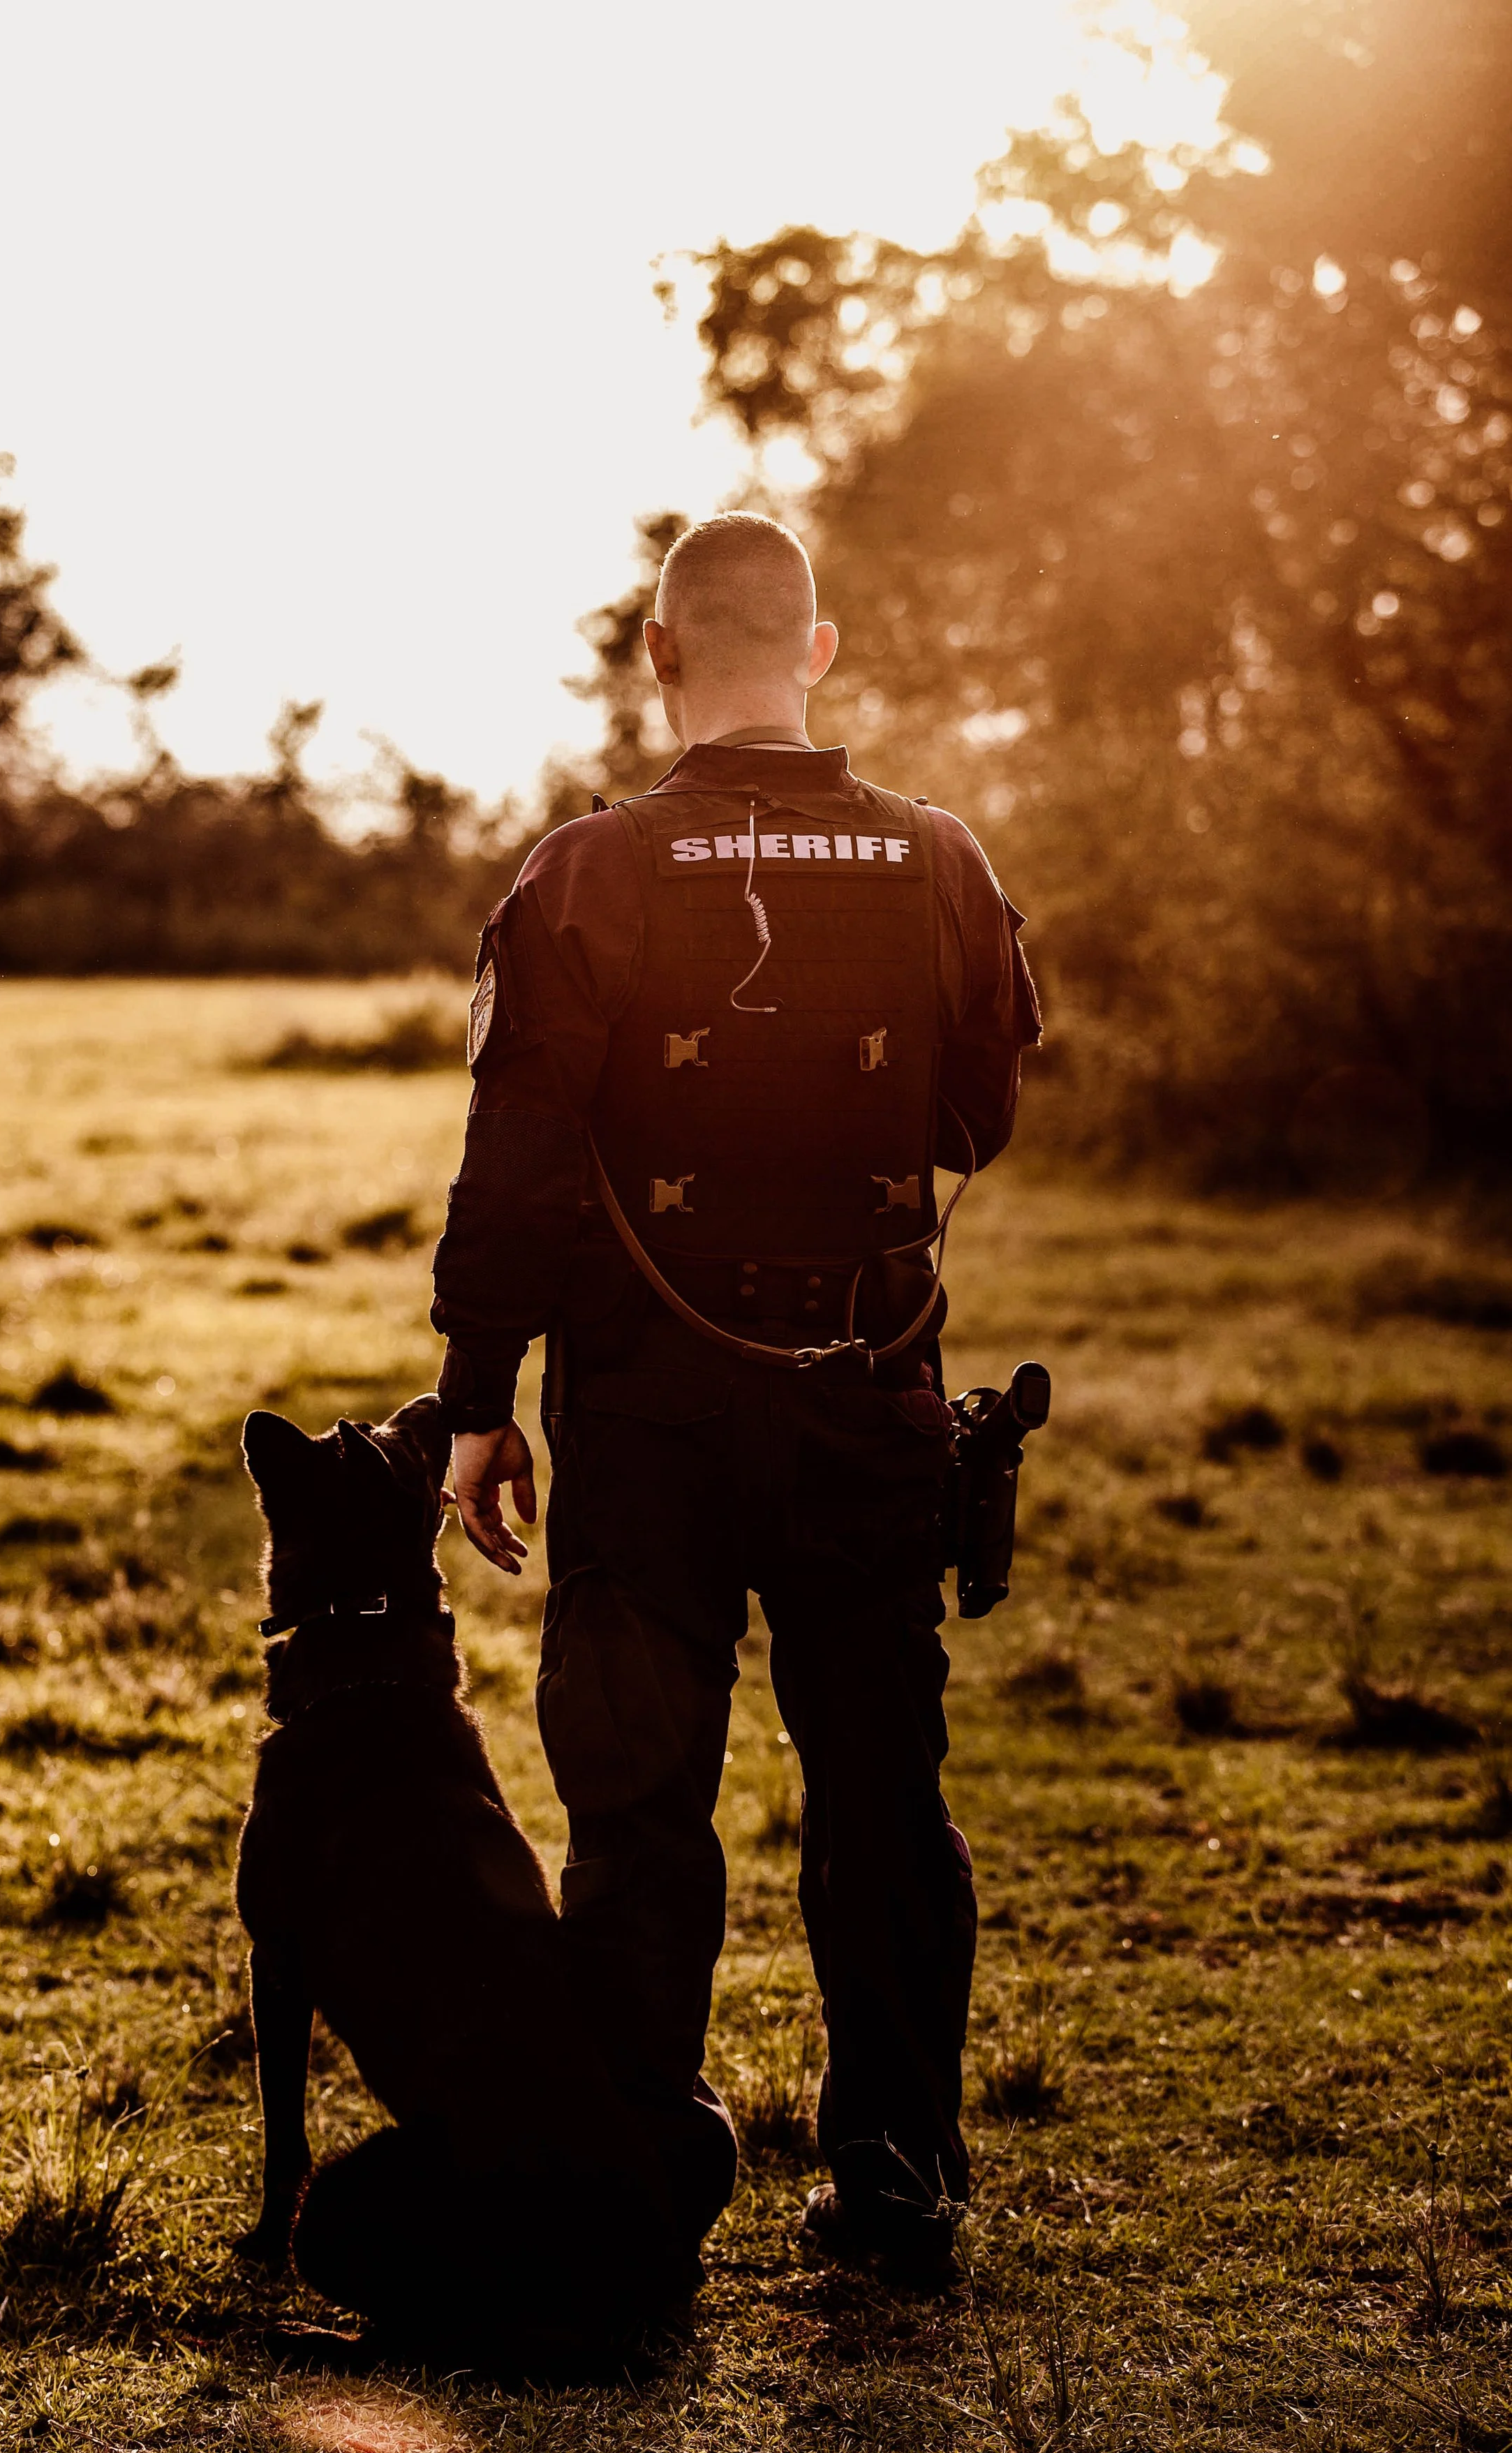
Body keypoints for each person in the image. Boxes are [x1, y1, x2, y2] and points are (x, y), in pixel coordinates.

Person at [431, 513, 1039, 2290]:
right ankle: (894, 2177)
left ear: (658, 652)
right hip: (869, 1395)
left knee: (635, 1804)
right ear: (820, 650)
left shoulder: (581, 876)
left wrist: (479, 1399)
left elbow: (517, 1161)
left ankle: (637, 2178)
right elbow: (975, 1118)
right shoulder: (937, 859)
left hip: (644, 1408)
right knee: (876, 1783)